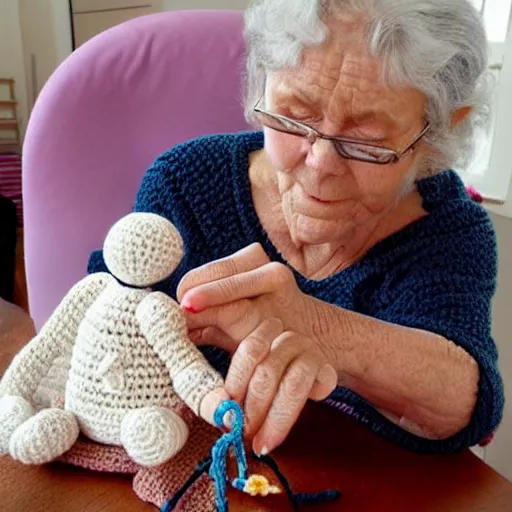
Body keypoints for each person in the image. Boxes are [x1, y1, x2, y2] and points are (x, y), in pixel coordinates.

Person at [89, 0, 504, 456]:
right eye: (294, 116)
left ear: (437, 135)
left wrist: (319, 328)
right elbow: (104, 328)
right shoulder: (185, 183)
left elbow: (464, 397)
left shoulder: (446, 229)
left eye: (365, 141)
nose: (321, 164)